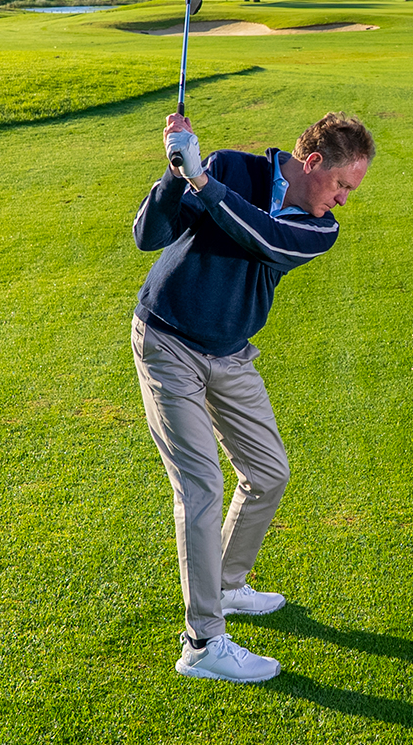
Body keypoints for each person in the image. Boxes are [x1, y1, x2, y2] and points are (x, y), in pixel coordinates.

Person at [130, 110, 374, 682]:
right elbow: (148, 236)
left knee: (268, 473)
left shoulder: (319, 229)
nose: (343, 200)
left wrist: (202, 182)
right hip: (168, 342)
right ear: (313, 162)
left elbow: (261, 235)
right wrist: (174, 174)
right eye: (342, 185)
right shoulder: (228, 169)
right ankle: (202, 643)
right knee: (201, 487)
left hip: (231, 353)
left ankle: (226, 584)